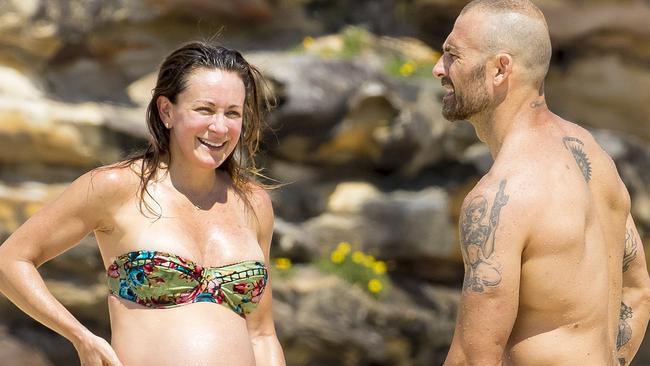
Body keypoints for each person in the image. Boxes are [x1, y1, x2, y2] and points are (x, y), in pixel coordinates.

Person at [0, 41, 286, 366]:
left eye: (232, 113)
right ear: (167, 111)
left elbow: (261, 335)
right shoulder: (115, 187)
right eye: (205, 110)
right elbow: (10, 261)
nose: (220, 127)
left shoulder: (254, 203)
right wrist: (82, 337)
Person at [432, 0, 650, 364]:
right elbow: (638, 292)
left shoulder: (501, 197)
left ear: (500, 69)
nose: (439, 68)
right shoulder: (593, 157)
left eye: (453, 55)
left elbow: (473, 358)